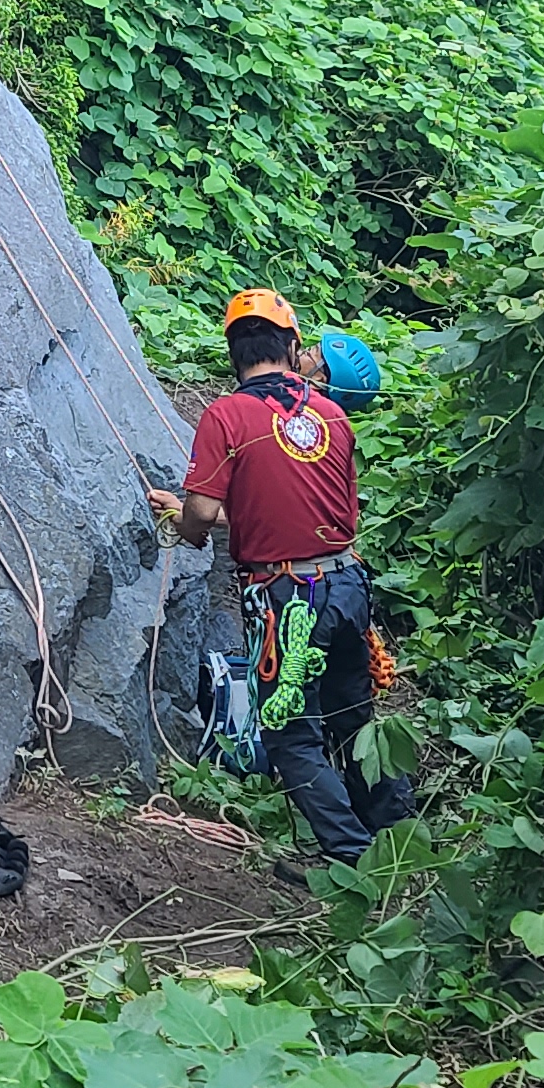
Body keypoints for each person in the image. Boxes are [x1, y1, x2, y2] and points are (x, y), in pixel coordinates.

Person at [154, 289, 414, 875]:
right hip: (346, 582)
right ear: (293, 348)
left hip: (288, 599)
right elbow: (318, 513)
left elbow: (201, 511)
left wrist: (183, 521)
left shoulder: (228, 417)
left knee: (290, 733)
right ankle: (397, 836)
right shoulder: (332, 415)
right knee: (352, 715)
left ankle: (349, 858)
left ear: (233, 352)